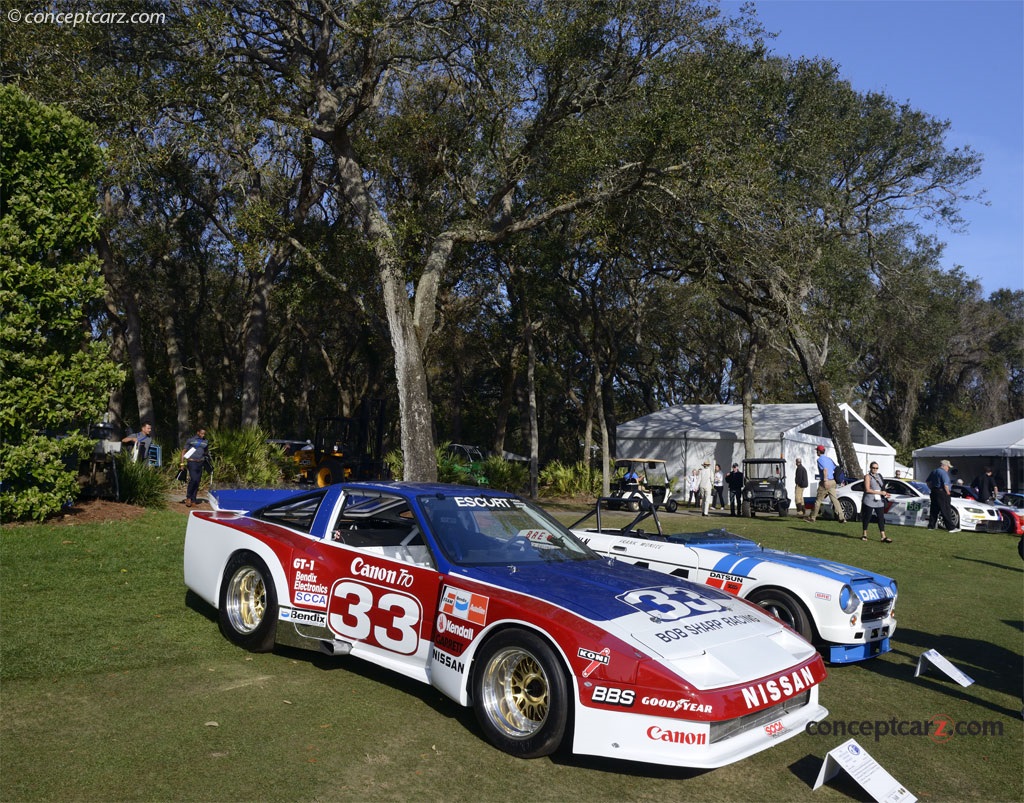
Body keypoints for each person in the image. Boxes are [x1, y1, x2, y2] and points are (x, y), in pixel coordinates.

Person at [806, 445, 846, 523]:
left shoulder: (820, 460)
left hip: (826, 482)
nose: (816, 452)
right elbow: (835, 469)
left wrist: (825, 480)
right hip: (833, 481)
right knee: (835, 500)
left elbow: (825, 470)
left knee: (818, 500)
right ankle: (841, 517)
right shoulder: (829, 459)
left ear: (819, 451)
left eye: (817, 451)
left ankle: (812, 517)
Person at [860, 462, 893, 542]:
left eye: (876, 468)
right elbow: (867, 490)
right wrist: (880, 493)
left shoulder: (879, 476)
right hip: (869, 499)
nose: (875, 469)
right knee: (867, 517)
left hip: (879, 500)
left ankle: (883, 536)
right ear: (870, 468)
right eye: (873, 468)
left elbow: (882, 487)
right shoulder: (867, 476)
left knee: (881, 518)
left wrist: (885, 494)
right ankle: (864, 534)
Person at [926, 459, 960, 532]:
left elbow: (928, 482)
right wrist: (948, 493)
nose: (948, 468)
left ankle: (931, 526)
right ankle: (951, 528)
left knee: (934, 510)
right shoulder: (943, 473)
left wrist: (931, 488)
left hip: (934, 491)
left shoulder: (934, 471)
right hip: (942, 492)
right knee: (946, 510)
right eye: (948, 467)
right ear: (944, 466)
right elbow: (945, 485)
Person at [180, 426, 209, 508]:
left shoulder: (206, 441)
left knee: (198, 481)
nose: (203, 435)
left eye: (204, 434)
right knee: (194, 479)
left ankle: (193, 500)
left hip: (200, 463)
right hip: (192, 462)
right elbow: (183, 451)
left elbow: (206, 452)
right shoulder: (191, 440)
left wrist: (206, 461)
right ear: (198, 432)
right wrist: (182, 463)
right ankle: (188, 497)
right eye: (202, 433)